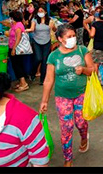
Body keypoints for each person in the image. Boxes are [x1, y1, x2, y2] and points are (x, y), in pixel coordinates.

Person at [40, 24, 95, 167]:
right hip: (62, 97)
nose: (72, 39)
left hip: (81, 94)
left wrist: (83, 69)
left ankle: (84, 137)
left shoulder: (83, 50)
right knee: (66, 128)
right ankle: (68, 158)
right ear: (60, 39)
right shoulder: (53, 56)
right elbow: (49, 79)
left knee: (81, 123)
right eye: (68, 37)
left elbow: (92, 70)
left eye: (73, 36)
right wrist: (44, 101)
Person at [25, 5, 57, 85]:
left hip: (47, 41)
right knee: (38, 58)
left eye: (42, 11)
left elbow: (55, 29)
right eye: (39, 11)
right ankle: (32, 72)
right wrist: (25, 30)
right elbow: (32, 29)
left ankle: (43, 79)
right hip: (36, 41)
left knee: (44, 60)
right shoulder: (35, 19)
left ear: (45, 12)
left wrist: (53, 27)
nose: (40, 13)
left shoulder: (50, 20)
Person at [5, 11, 29, 92]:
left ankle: (24, 84)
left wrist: (14, 49)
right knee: (16, 65)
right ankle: (21, 82)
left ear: (13, 18)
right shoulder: (14, 24)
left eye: (10, 17)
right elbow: (7, 24)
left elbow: (18, 38)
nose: (10, 19)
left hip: (16, 48)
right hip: (12, 47)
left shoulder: (18, 25)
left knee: (17, 65)